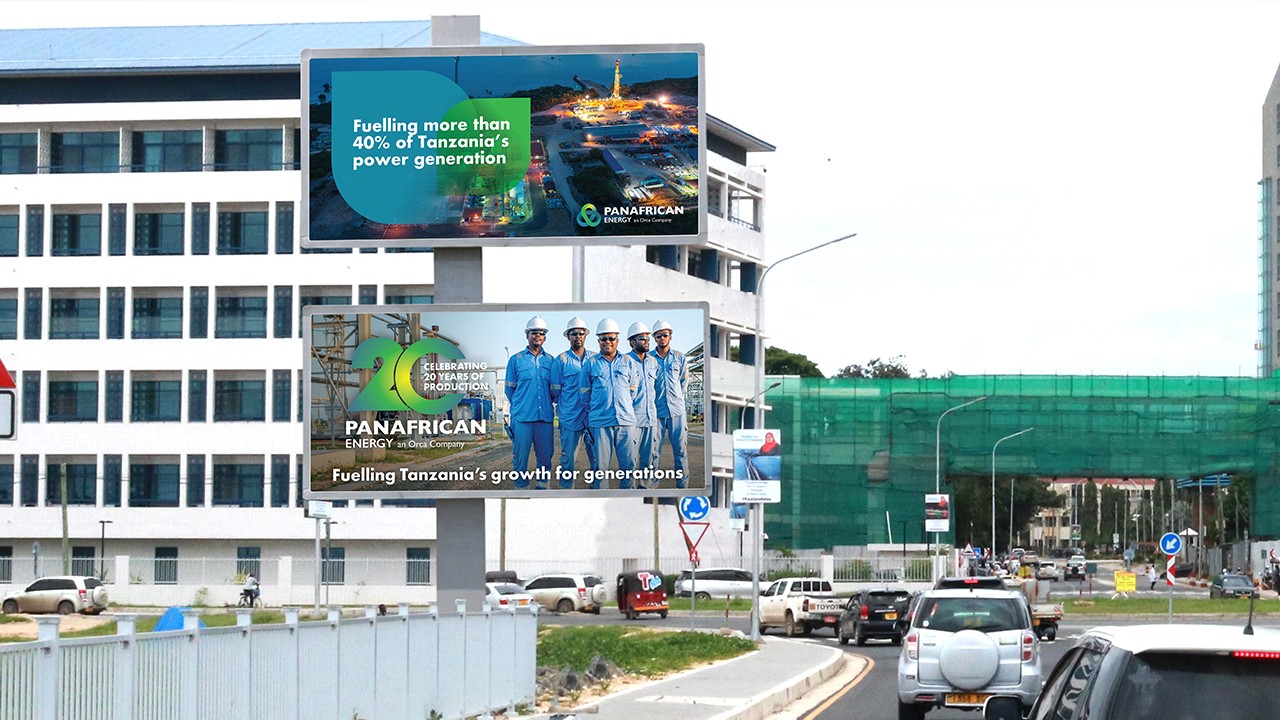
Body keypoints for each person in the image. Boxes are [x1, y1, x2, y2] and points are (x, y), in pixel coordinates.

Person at [582, 318, 639, 488]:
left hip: (625, 423)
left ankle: (628, 505)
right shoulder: (590, 364)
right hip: (600, 424)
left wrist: (622, 406)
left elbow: (632, 392)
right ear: (598, 341)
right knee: (600, 471)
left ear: (617, 340)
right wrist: (599, 411)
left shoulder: (628, 362)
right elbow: (585, 395)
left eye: (611, 338)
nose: (607, 342)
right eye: (604, 339)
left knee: (628, 469)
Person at [504, 316, 555, 489]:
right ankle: (521, 490)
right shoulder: (516, 360)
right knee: (520, 458)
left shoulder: (551, 361)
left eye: (541, 333)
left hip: (544, 418)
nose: (537, 336)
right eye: (534, 332)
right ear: (527, 335)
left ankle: (542, 489)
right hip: (522, 418)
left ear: (545, 337)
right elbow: (509, 390)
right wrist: (521, 406)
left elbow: (555, 390)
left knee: (545, 457)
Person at [549, 316, 597, 486]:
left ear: (586, 336)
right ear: (568, 337)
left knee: (597, 461)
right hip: (570, 418)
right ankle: (566, 493)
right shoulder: (561, 360)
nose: (578, 337)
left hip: (593, 418)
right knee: (568, 460)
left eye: (581, 334)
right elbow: (555, 391)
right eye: (574, 334)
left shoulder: (595, 358)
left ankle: (597, 493)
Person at [650, 319, 689, 488]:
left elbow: (683, 383)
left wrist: (676, 399)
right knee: (652, 453)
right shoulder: (649, 359)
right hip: (656, 413)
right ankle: (651, 489)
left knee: (680, 452)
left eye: (665, 335)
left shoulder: (680, 358)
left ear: (670, 336)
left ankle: (683, 487)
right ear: (654, 338)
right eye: (658, 336)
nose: (662, 339)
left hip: (677, 413)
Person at [624, 321, 659, 485]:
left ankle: (645, 493)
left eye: (648, 339)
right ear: (632, 342)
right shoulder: (624, 361)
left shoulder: (653, 362)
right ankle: (628, 495)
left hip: (651, 419)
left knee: (648, 462)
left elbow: (656, 389)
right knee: (630, 462)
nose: (647, 341)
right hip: (633, 420)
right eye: (642, 339)